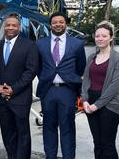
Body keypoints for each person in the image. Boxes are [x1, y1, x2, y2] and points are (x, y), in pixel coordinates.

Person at [36, 12, 86, 159]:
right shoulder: (40, 43)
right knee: (49, 127)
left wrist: (69, 79)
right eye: (55, 22)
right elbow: (38, 67)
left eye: (61, 22)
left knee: (67, 127)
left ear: (65, 24)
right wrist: (47, 78)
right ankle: (50, 156)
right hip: (48, 90)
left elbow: (80, 67)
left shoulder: (77, 44)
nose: (58, 24)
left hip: (67, 91)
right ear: (50, 25)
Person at [0, 13, 39, 159]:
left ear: (19, 28)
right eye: (8, 25)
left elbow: (31, 71)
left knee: (22, 133)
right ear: (4, 27)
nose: (10, 27)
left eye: (14, 25)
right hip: (2, 99)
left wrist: (14, 89)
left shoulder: (29, 45)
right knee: (7, 133)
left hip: (20, 98)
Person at [81, 21, 119, 159]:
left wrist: (97, 105)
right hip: (90, 103)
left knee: (107, 144)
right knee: (97, 143)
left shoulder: (118, 58)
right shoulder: (91, 57)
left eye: (104, 36)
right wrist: (84, 100)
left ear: (111, 38)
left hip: (110, 105)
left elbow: (114, 86)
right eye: (97, 36)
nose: (100, 39)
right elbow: (86, 80)